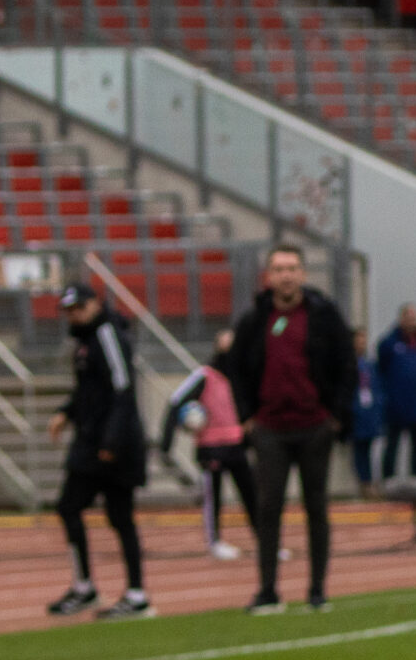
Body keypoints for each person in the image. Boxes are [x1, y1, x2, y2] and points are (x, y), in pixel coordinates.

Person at [226, 243, 355, 615]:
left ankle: (317, 591)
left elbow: (346, 363)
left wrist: (336, 416)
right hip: (269, 427)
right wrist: (247, 417)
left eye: (292, 268)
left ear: (303, 273)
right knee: (268, 508)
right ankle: (268, 590)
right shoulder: (255, 319)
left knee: (316, 507)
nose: (286, 275)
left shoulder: (324, 315)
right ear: (269, 276)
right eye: (279, 269)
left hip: (315, 426)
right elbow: (235, 368)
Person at [45, 283, 153, 620]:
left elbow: (123, 389)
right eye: (69, 310)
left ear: (94, 304)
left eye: (78, 308)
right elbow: (88, 390)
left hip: (111, 444)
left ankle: (134, 593)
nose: (74, 315)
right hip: (93, 439)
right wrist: (66, 413)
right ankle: (86, 587)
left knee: (118, 516)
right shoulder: (85, 341)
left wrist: (111, 442)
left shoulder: (108, 334)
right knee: (71, 508)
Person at [159, 330, 259, 561]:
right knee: (213, 497)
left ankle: (265, 540)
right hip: (211, 447)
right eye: (225, 345)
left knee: (251, 494)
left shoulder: (241, 376)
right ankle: (214, 542)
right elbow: (176, 402)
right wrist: (167, 443)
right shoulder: (204, 375)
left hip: (236, 444)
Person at [376, 305, 416, 481]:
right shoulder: (389, 343)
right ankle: (388, 481)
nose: (411, 321)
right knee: (392, 445)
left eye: (414, 317)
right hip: (395, 406)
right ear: (401, 319)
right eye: (408, 317)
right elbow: (381, 368)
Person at [347, 329, 385, 498]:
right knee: (359, 451)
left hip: (369, 413)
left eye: (363, 340)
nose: (361, 344)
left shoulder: (369, 365)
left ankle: (369, 482)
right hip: (356, 414)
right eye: (358, 340)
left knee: (368, 450)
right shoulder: (347, 365)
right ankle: (363, 483)